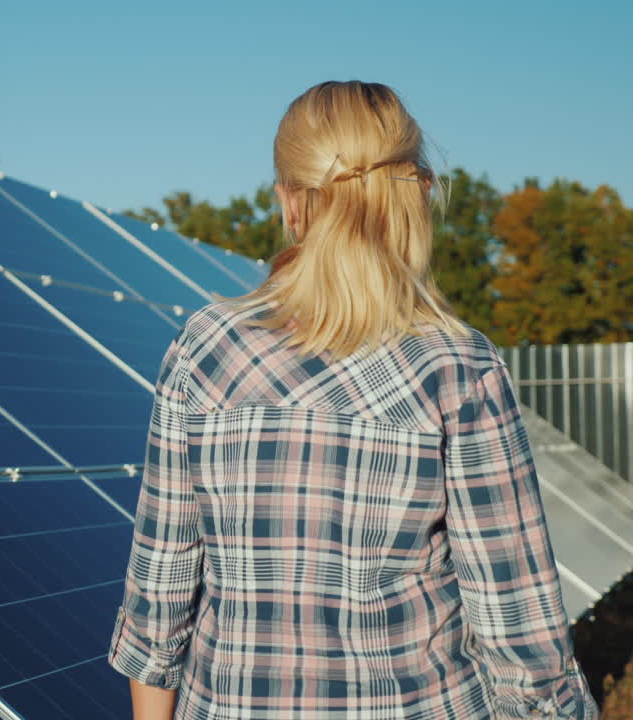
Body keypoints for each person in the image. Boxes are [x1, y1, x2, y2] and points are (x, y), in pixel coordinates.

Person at [107, 81, 599, 719]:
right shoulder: (456, 366)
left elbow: (158, 603)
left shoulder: (204, 352)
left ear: (290, 201)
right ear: (418, 194)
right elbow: (520, 633)